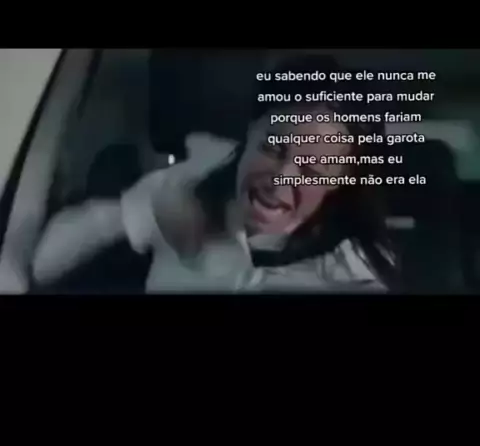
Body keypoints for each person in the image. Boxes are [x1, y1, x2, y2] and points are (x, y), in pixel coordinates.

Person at [32, 55, 397, 293]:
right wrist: (128, 215)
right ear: (250, 132)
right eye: (272, 148)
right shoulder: (189, 186)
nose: (280, 178)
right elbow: (49, 256)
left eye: (312, 169)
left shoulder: (353, 269)